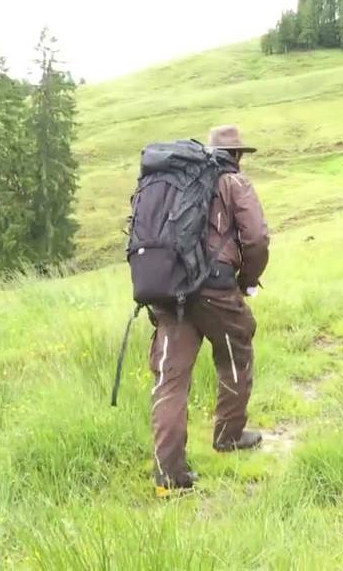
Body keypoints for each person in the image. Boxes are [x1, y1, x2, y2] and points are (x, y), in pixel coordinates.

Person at [149, 125, 270, 494]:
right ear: (236, 155)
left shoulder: (171, 182)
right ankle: (228, 435)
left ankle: (168, 476)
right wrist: (247, 280)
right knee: (236, 353)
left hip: (168, 288)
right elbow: (257, 238)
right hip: (215, 287)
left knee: (170, 380)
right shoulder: (234, 182)